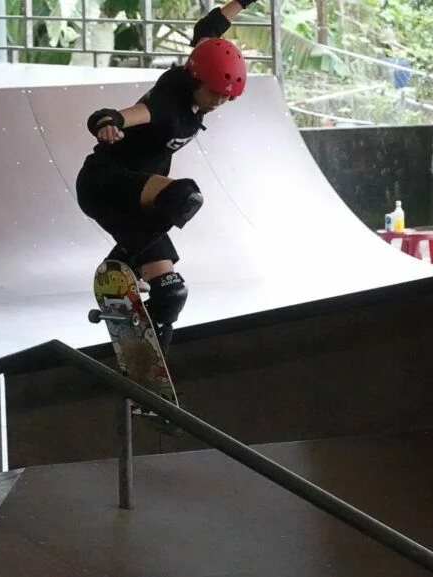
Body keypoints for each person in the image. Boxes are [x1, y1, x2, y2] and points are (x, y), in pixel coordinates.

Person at [75, 1, 256, 352]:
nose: (217, 102)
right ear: (196, 78)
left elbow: (209, 28)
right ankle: (119, 263)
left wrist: (242, 2)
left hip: (136, 198)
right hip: (105, 183)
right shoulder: (168, 106)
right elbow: (127, 114)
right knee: (182, 196)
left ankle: (145, 368)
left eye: (225, 97)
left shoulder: (200, 64)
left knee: (171, 294)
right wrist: (109, 122)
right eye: (213, 93)